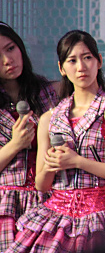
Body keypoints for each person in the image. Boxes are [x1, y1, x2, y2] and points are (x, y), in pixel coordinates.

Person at [8, 30, 105, 252]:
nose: (81, 67)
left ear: (99, 61)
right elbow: (42, 184)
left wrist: (78, 161)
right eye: (72, 60)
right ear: (61, 68)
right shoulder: (50, 118)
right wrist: (52, 164)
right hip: (52, 219)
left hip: (97, 217)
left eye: (87, 57)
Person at [0, 23, 59, 250]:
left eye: (11, 48)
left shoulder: (47, 91)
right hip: (6, 204)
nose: (8, 60)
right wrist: (15, 144)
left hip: (51, 199)